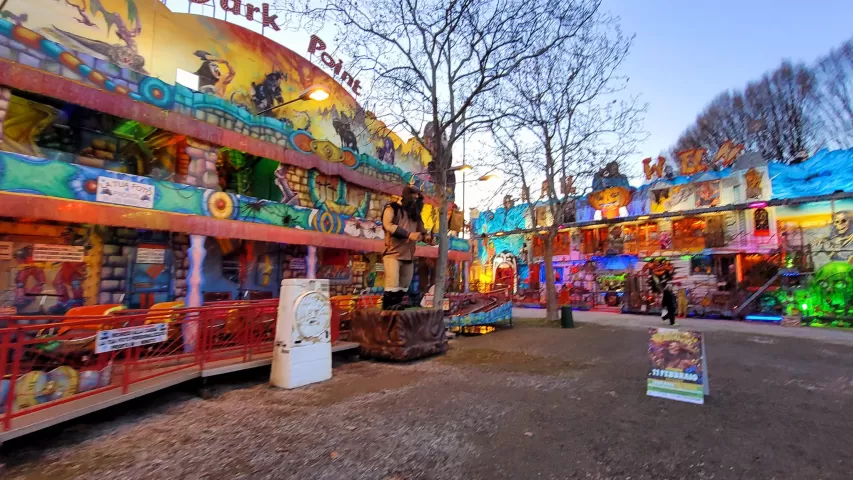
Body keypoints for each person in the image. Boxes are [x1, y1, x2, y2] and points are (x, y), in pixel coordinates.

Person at [381, 186, 430, 310]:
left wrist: (427, 238)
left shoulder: (415, 215)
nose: (415, 201)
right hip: (393, 253)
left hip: (408, 255)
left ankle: (396, 303)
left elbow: (422, 231)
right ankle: (389, 306)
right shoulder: (392, 208)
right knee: (392, 281)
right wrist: (408, 234)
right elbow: (388, 225)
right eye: (413, 198)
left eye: (417, 199)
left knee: (405, 283)